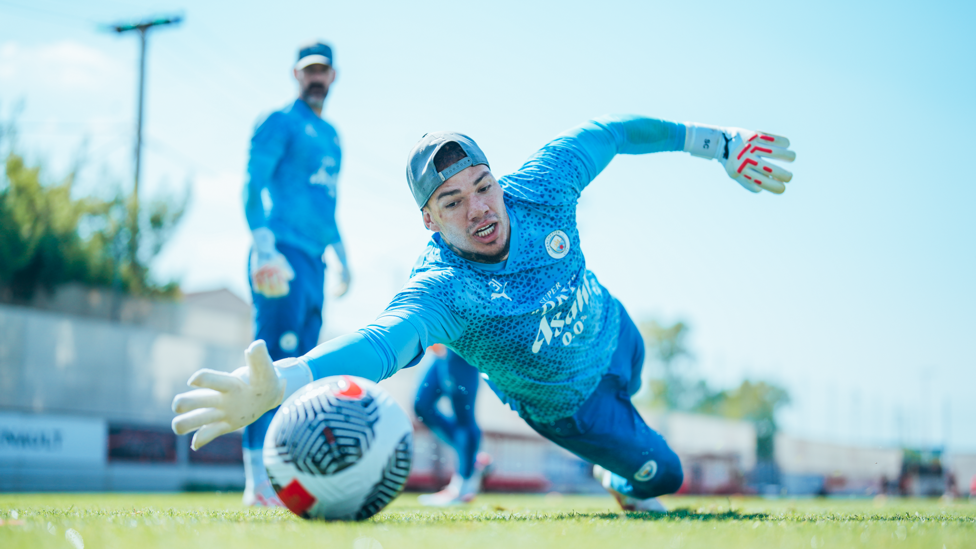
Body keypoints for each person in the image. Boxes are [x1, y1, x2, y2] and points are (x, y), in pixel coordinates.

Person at [173, 115, 795, 512]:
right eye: (452, 200)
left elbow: (612, 134)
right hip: (571, 409)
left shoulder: (543, 185)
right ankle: (620, 479)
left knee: (634, 375)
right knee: (667, 477)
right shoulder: (443, 288)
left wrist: (718, 144)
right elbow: (381, 342)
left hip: (617, 333)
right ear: (429, 220)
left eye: (482, 185)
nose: (478, 208)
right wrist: (284, 380)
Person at [240, 41, 351, 506]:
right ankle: (255, 482)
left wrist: (343, 256)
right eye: (309, 70)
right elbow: (253, 184)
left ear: (333, 76)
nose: (316, 78)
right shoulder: (278, 122)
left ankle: (286, 477)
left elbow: (327, 209)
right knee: (270, 366)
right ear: (295, 74)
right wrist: (264, 244)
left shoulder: (332, 136)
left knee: (301, 372)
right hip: (279, 256)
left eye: (323, 70)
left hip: (315, 263)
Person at [413, 344, 491, 506]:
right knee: (422, 405)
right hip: (441, 343)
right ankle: (473, 458)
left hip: (462, 343)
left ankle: (463, 488)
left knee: (463, 416)